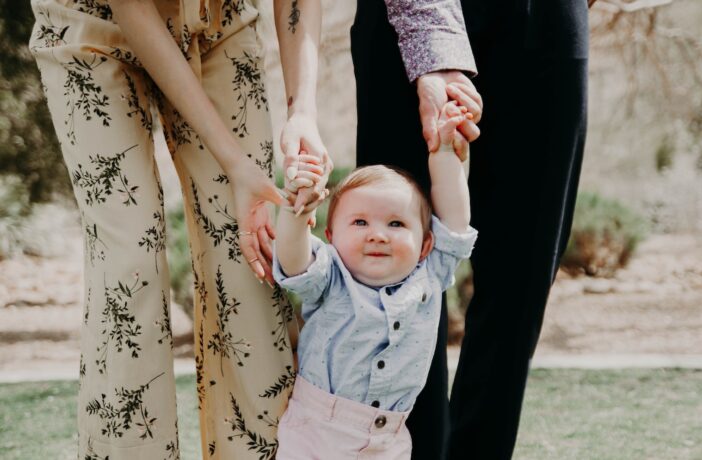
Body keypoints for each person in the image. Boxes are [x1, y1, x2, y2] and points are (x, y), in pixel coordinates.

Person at [28, 0, 328, 458]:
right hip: (88, 25)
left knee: (247, 254)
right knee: (131, 262)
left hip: (220, 21)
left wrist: (302, 111)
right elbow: (135, 11)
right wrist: (234, 162)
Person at [352, 0, 590, 458]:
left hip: (546, 21)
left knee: (522, 277)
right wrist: (432, 48)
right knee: (396, 272)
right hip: (403, 18)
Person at [272, 103, 477, 459]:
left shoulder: (429, 276)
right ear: (332, 237)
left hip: (389, 439)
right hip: (316, 432)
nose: (378, 235)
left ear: (426, 243)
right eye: (360, 223)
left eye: (396, 224)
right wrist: (296, 209)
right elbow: (293, 260)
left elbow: (456, 222)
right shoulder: (332, 275)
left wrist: (445, 153)